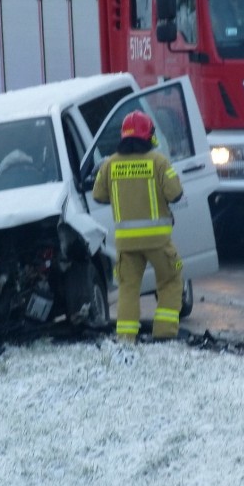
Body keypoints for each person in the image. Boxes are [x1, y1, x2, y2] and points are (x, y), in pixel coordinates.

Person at [91, 111, 184, 342]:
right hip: (158, 242)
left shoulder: (110, 164)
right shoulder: (159, 161)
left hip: (126, 243)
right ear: (149, 135)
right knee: (170, 282)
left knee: (128, 290)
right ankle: (164, 335)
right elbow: (176, 194)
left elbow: (98, 196)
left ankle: (126, 338)